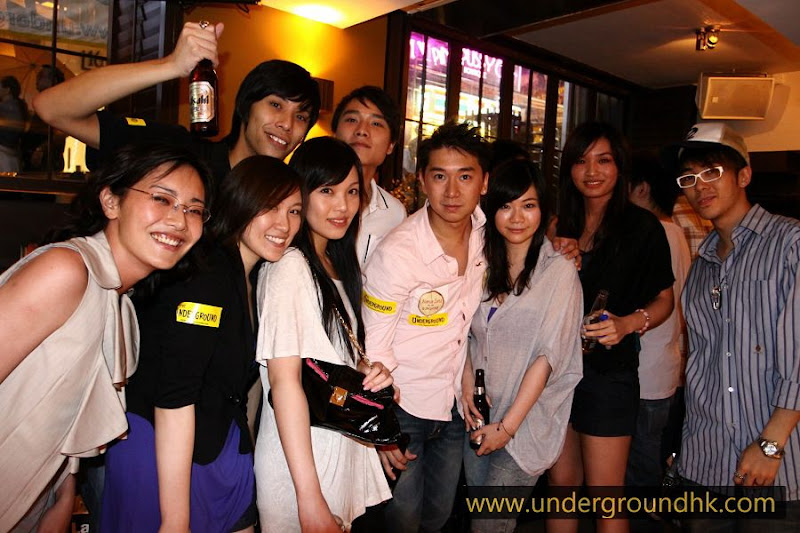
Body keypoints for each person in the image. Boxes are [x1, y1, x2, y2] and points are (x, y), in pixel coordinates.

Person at [0, 142, 211, 531]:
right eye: (162, 199)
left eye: (194, 209)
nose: (180, 221)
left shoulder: (120, 305)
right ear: (111, 202)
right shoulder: (67, 270)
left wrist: (62, 495)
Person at [99, 156, 302, 532]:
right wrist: (175, 519)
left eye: (294, 211)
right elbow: (174, 394)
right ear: (240, 202)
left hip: (217, 440)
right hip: (164, 454)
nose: (284, 224)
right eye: (270, 207)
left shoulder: (253, 276)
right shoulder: (206, 275)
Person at [255, 137, 393, 531]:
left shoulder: (334, 263)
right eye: (327, 191)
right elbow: (284, 383)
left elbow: (325, 359)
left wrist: (366, 370)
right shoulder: (290, 266)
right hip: (303, 467)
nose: (343, 206)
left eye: (352, 191)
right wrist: (310, 500)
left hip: (332, 450)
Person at [363, 121, 490, 532]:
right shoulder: (398, 253)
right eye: (439, 176)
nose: (452, 192)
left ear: (484, 182)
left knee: (438, 516)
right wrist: (381, 427)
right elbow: (374, 349)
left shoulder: (488, 236)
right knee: (402, 520)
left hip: (452, 404)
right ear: (422, 180)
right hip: (404, 407)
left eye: (465, 177)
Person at [672, 122, 800, 531]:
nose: (699, 186)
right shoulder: (700, 268)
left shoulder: (790, 243)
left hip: (776, 465)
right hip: (705, 464)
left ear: (744, 175)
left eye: (712, 171)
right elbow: (702, 366)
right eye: (689, 178)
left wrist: (771, 444)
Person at [547, 122, 674, 533]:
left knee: (606, 496)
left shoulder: (643, 227)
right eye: (581, 161)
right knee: (561, 488)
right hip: (555, 373)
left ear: (619, 166)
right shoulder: (558, 226)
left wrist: (629, 323)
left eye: (603, 160)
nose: (592, 171)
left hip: (608, 374)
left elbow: (665, 299)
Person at [33, 21, 320, 182]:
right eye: (276, 105)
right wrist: (170, 66)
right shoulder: (181, 152)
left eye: (301, 117)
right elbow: (52, 108)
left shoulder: (288, 202)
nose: (287, 124)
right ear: (246, 106)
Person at [462, 159, 583, 533]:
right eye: (506, 205)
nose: (516, 217)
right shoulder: (478, 264)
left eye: (528, 205)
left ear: (543, 211)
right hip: (477, 413)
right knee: (480, 519)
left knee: (490, 524)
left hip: (525, 422)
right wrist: (466, 388)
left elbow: (548, 357)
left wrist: (508, 427)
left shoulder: (558, 271)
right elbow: (463, 334)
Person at [625, 153, 691, 528]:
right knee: (646, 464)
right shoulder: (676, 231)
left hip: (646, 373)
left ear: (641, 189)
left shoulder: (653, 233)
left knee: (638, 473)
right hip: (664, 369)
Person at [332, 85, 406, 264]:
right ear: (334, 133)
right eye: (351, 119)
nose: (361, 130)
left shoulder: (395, 214)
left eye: (376, 123)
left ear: (391, 145)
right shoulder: (305, 195)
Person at [0, 75, 27, 172]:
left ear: (7, 90)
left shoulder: (5, 108)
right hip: (13, 155)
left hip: (3, 154)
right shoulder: (18, 106)